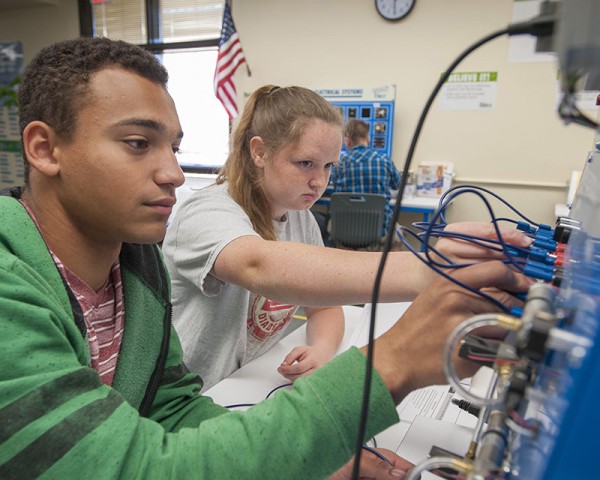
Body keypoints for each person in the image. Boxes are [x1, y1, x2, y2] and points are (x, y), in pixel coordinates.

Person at [0, 36, 530, 479]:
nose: (173, 174)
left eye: (176, 149)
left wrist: (311, 451)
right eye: (139, 143)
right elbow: (135, 468)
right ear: (45, 150)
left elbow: (171, 409)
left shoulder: (137, 267)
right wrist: (390, 363)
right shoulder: (11, 291)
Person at [162, 85, 531, 391]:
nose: (319, 181)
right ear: (259, 152)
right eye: (305, 163)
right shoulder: (206, 211)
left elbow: (324, 303)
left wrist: (321, 350)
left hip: (253, 381)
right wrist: (430, 269)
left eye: (328, 166)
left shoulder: (301, 218)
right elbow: (258, 264)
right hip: (196, 394)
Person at [331, 118, 401, 238]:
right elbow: (398, 185)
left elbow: (334, 184)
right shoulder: (385, 160)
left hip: (345, 232)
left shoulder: (340, 163)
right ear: (368, 138)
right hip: (379, 233)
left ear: (347, 141)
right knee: (398, 230)